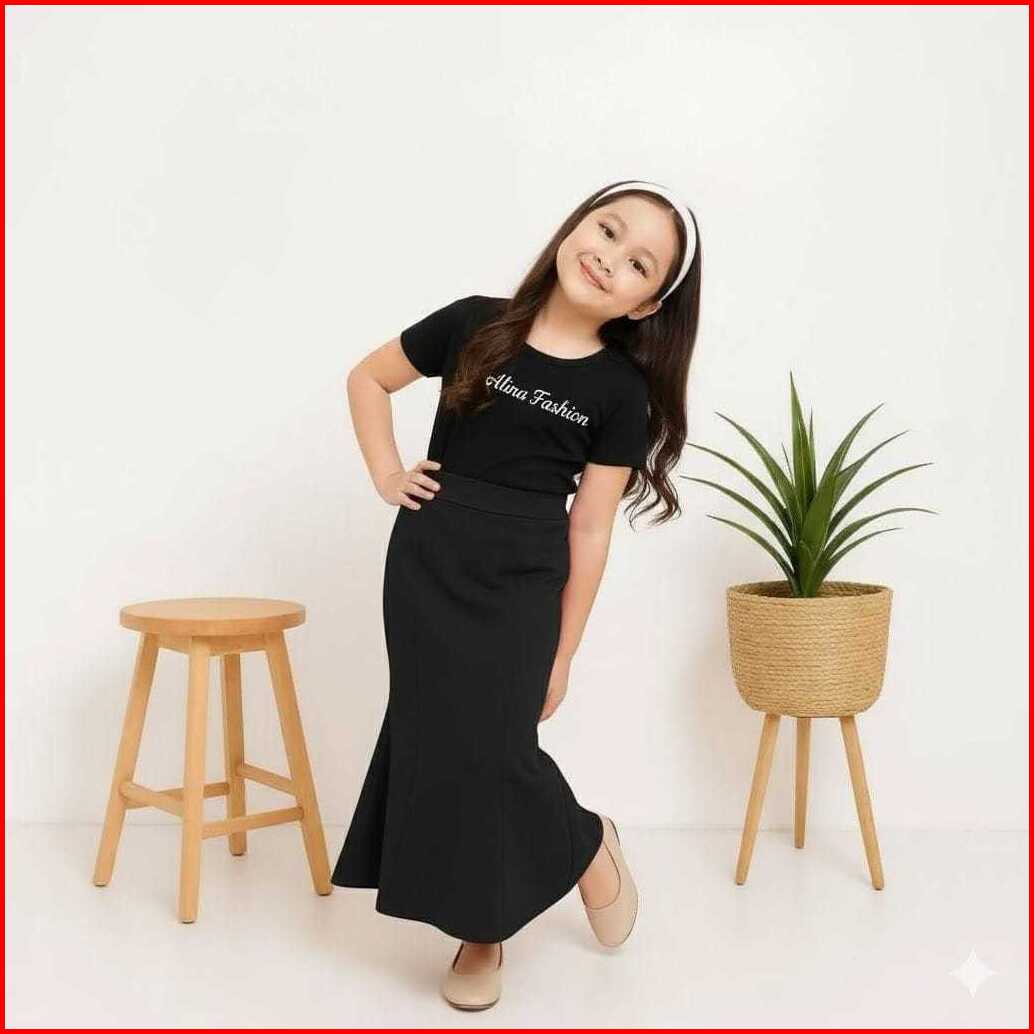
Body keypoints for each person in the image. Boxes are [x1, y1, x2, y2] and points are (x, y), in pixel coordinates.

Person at [332, 179, 702, 1011]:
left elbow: (591, 529)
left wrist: (563, 652)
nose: (610, 258)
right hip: (428, 564)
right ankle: (561, 863)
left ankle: (506, 912)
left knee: (497, 750)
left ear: (647, 304)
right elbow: (367, 379)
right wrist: (387, 474)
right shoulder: (474, 322)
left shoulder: (621, 392)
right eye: (608, 230)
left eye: (639, 263)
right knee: (439, 739)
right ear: (576, 226)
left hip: (525, 580)